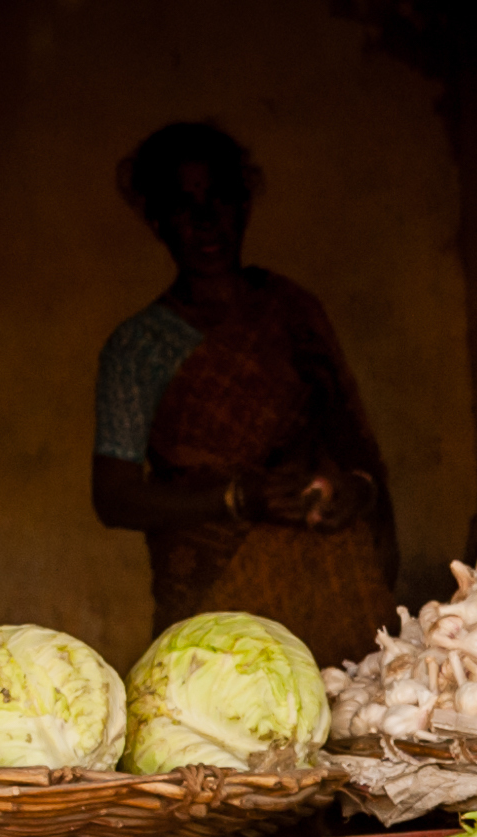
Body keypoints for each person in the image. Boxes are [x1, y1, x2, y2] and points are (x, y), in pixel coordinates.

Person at [87, 121, 397, 665]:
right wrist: (235, 499)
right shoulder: (138, 347)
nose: (206, 221)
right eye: (185, 205)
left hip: (334, 577)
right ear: (159, 221)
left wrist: (357, 491)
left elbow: (354, 446)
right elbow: (114, 496)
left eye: (220, 198)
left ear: (244, 206)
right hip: (213, 595)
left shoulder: (294, 312)